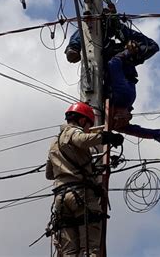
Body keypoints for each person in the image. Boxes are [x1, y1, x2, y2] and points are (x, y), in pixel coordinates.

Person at [45, 102, 124, 257]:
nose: (88, 129)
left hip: (61, 200)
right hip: (81, 196)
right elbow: (82, 140)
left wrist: (69, 167)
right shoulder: (73, 132)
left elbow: (49, 174)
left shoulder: (54, 143)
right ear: (82, 121)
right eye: (88, 125)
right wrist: (106, 137)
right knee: (89, 249)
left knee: (69, 252)